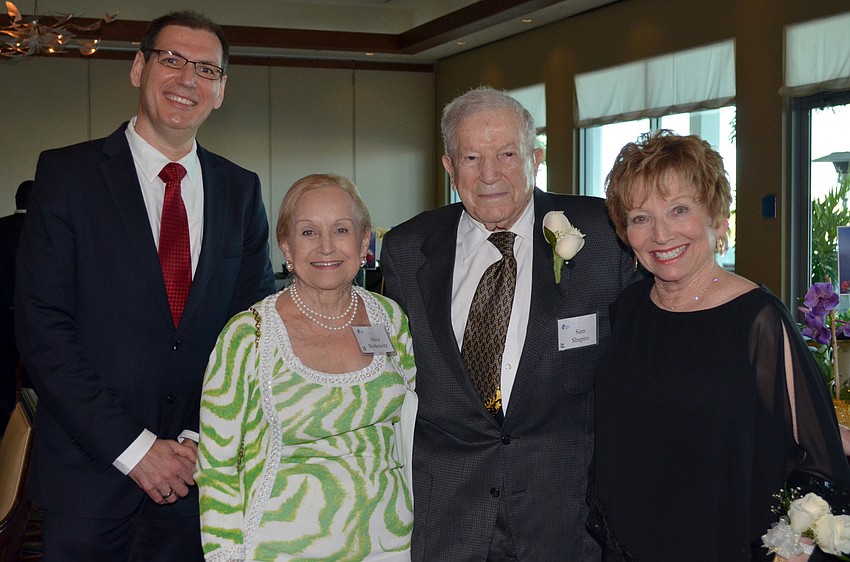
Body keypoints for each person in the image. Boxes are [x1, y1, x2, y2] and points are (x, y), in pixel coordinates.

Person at [15, 11, 275, 561]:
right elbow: (43, 330)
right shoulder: (67, 178)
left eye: (207, 68)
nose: (188, 80)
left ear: (222, 90)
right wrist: (135, 450)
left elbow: (252, 334)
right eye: (172, 60)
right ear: (138, 67)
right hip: (90, 477)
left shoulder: (241, 190)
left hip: (198, 480)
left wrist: (199, 440)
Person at [379, 86, 638, 561]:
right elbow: (388, 379)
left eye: (507, 154)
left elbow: (642, 367)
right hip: (448, 521)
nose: (490, 174)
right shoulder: (407, 249)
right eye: (472, 157)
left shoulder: (605, 235)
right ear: (449, 166)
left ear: (535, 157)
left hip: (566, 519)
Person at [588, 130, 850, 561]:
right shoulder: (628, 309)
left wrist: (795, 543)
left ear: (717, 217)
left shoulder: (758, 321)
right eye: (640, 217)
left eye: (679, 210)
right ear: (624, 233)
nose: (661, 234)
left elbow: (820, 462)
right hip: (627, 547)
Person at [197, 173, 415, 561]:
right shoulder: (248, 336)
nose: (326, 247)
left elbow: (418, 426)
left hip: (391, 543)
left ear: (364, 241)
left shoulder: (391, 319)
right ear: (286, 246)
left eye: (342, 229)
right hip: (281, 547)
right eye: (309, 232)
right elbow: (216, 468)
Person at [0, 180, 32, 428]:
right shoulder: (39, 229)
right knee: (37, 371)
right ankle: (33, 420)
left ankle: (6, 426)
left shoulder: (2, 228)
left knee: (3, 372)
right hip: (32, 313)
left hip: (2, 314)